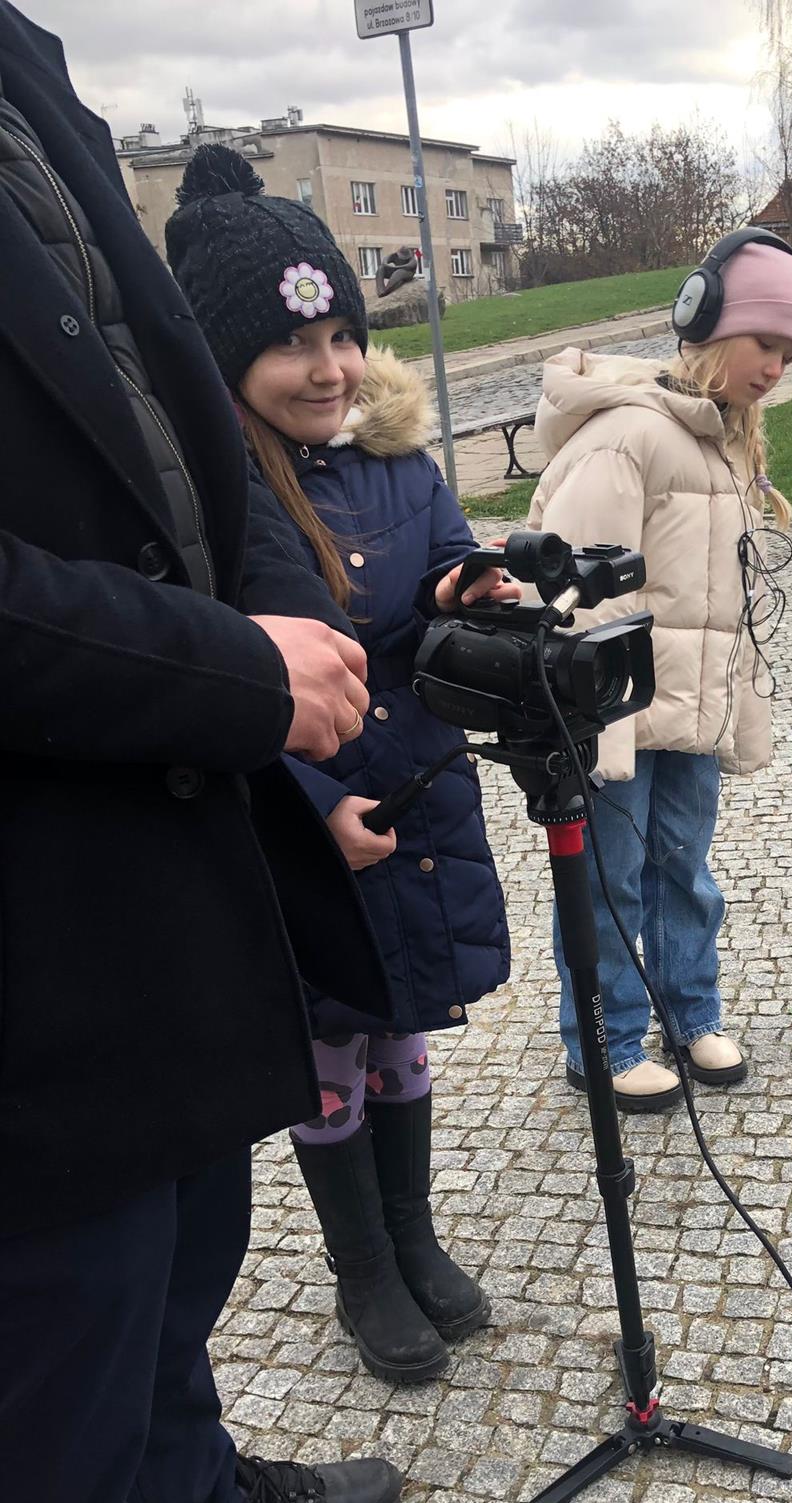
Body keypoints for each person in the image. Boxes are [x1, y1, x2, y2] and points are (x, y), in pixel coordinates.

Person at [0, 8, 404, 1503]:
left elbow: (173, 419)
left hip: (166, 860)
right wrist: (233, 670)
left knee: (182, 1235)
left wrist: (304, 623)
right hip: (34, 901)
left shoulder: (30, 66)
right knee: (44, 1401)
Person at [165, 147, 514, 1384]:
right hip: (310, 816)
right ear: (224, 361)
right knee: (330, 1045)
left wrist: (466, 588)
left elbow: (438, 577)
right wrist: (311, 807)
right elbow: (218, 671)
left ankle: (413, 1235)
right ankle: (361, 1264)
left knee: (402, 1024)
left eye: (342, 338)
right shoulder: (214, 499)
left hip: (413, 790)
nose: (328, 370)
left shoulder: (400, 464)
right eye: (290, 348)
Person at [527, 231, 792, 1111]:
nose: (775, 368)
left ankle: (691, 1014)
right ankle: (604, 1042)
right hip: (617, 712)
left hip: (689, 710)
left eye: (789, 352)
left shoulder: (727, 444)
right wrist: (595, 723)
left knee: (683, 872)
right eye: (764, 343)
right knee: (607, 881)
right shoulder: (628, 438)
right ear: (708, 323)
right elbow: (573, 592)